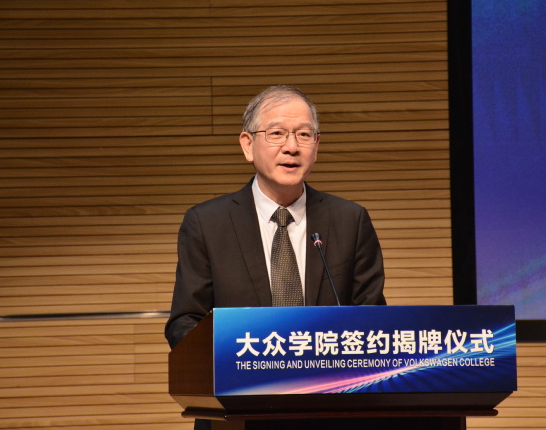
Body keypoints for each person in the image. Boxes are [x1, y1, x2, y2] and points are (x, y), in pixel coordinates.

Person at [165, 85, 386, 350]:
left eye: (304, 134)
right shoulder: (207, 224)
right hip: (242, 373)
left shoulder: (350, 221)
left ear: (316, 146)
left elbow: (375, 321)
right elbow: (185, 323)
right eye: (277, 133)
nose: (291, 147)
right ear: (248, 145)